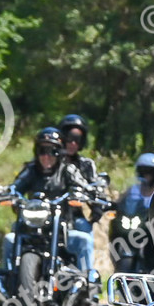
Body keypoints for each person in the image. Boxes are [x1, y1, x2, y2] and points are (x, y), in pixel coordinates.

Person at [3, 126, 97, 275]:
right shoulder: (31, 170)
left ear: (59, 153)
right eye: (42, 151)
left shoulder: (67, 170)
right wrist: (5, 194)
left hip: (61, 229)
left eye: (52, 151)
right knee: (9, 240)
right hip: (31, 227)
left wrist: (87, 193)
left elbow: (84, 186)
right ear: (36, 152)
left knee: (84, 240)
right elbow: (15, 187)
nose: (47, 156)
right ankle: (8, 280)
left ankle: (88, 281)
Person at [56, 114, 103, 282]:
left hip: (74, 216)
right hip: (48, 215)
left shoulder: (86, 164)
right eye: (69, 139)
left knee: (85, 233)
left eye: (77, 140)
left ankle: (87, 283)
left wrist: (97, 208)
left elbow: (96, 188)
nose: (72, 144)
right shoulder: (49, 161)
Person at [111, 153, 154, 272]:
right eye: (144, 171)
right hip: (133, 225)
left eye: (151, 171)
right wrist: (113, 205)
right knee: (114, 226)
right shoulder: (131, 190)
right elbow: (121, 202)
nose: (148, 175)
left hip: (151, 229)